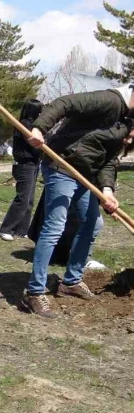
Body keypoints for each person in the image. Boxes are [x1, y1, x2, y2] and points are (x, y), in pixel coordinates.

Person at [22, 85, 134, 318]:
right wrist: (40, 128)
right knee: (55, 225)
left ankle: (71, 281)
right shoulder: (110, 100)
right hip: (63, 164)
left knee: (93, 224)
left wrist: (107, 190)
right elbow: (65, 103)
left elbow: (109, 158)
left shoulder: (126, 120)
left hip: (85, 174)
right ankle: (34, 291)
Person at [0, 99, 43, 241]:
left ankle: (22, 229)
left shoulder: (35, 126)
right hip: (24, 165)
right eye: (40, 111)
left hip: (34, 164)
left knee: (29, 200)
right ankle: (6, 229)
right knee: (22, 199)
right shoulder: (23, 125)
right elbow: (33, 144)